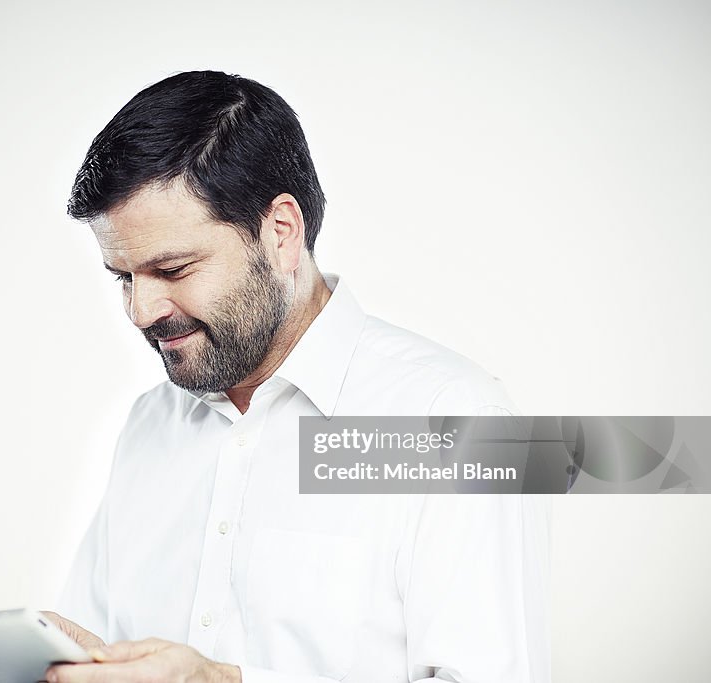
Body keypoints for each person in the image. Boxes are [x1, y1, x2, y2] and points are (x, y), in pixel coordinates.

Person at [44, 71, 550, 683]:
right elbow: (90, 642)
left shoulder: (461, 421)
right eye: (123, 277)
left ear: (281, 232)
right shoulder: (148, 424)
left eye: (172, 269)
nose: (141, 312)